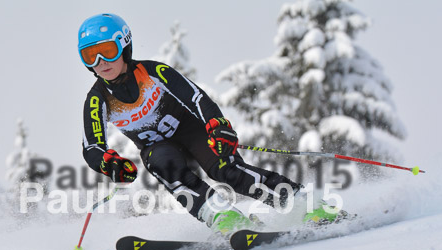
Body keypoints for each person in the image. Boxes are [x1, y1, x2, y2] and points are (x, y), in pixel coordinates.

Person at [79, 13, 314, 236]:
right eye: (90, 56)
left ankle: (303, 204)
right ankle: (224, 217)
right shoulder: (97, 99)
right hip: (158, 147)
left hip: (194, 133)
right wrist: (109, 164)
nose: (100, 62)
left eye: (107, 51)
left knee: (226, 170)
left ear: (124, 46)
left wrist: (217, 124)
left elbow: (196, 97)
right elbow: (92, 147)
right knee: (164, 165)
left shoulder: (152, 72)